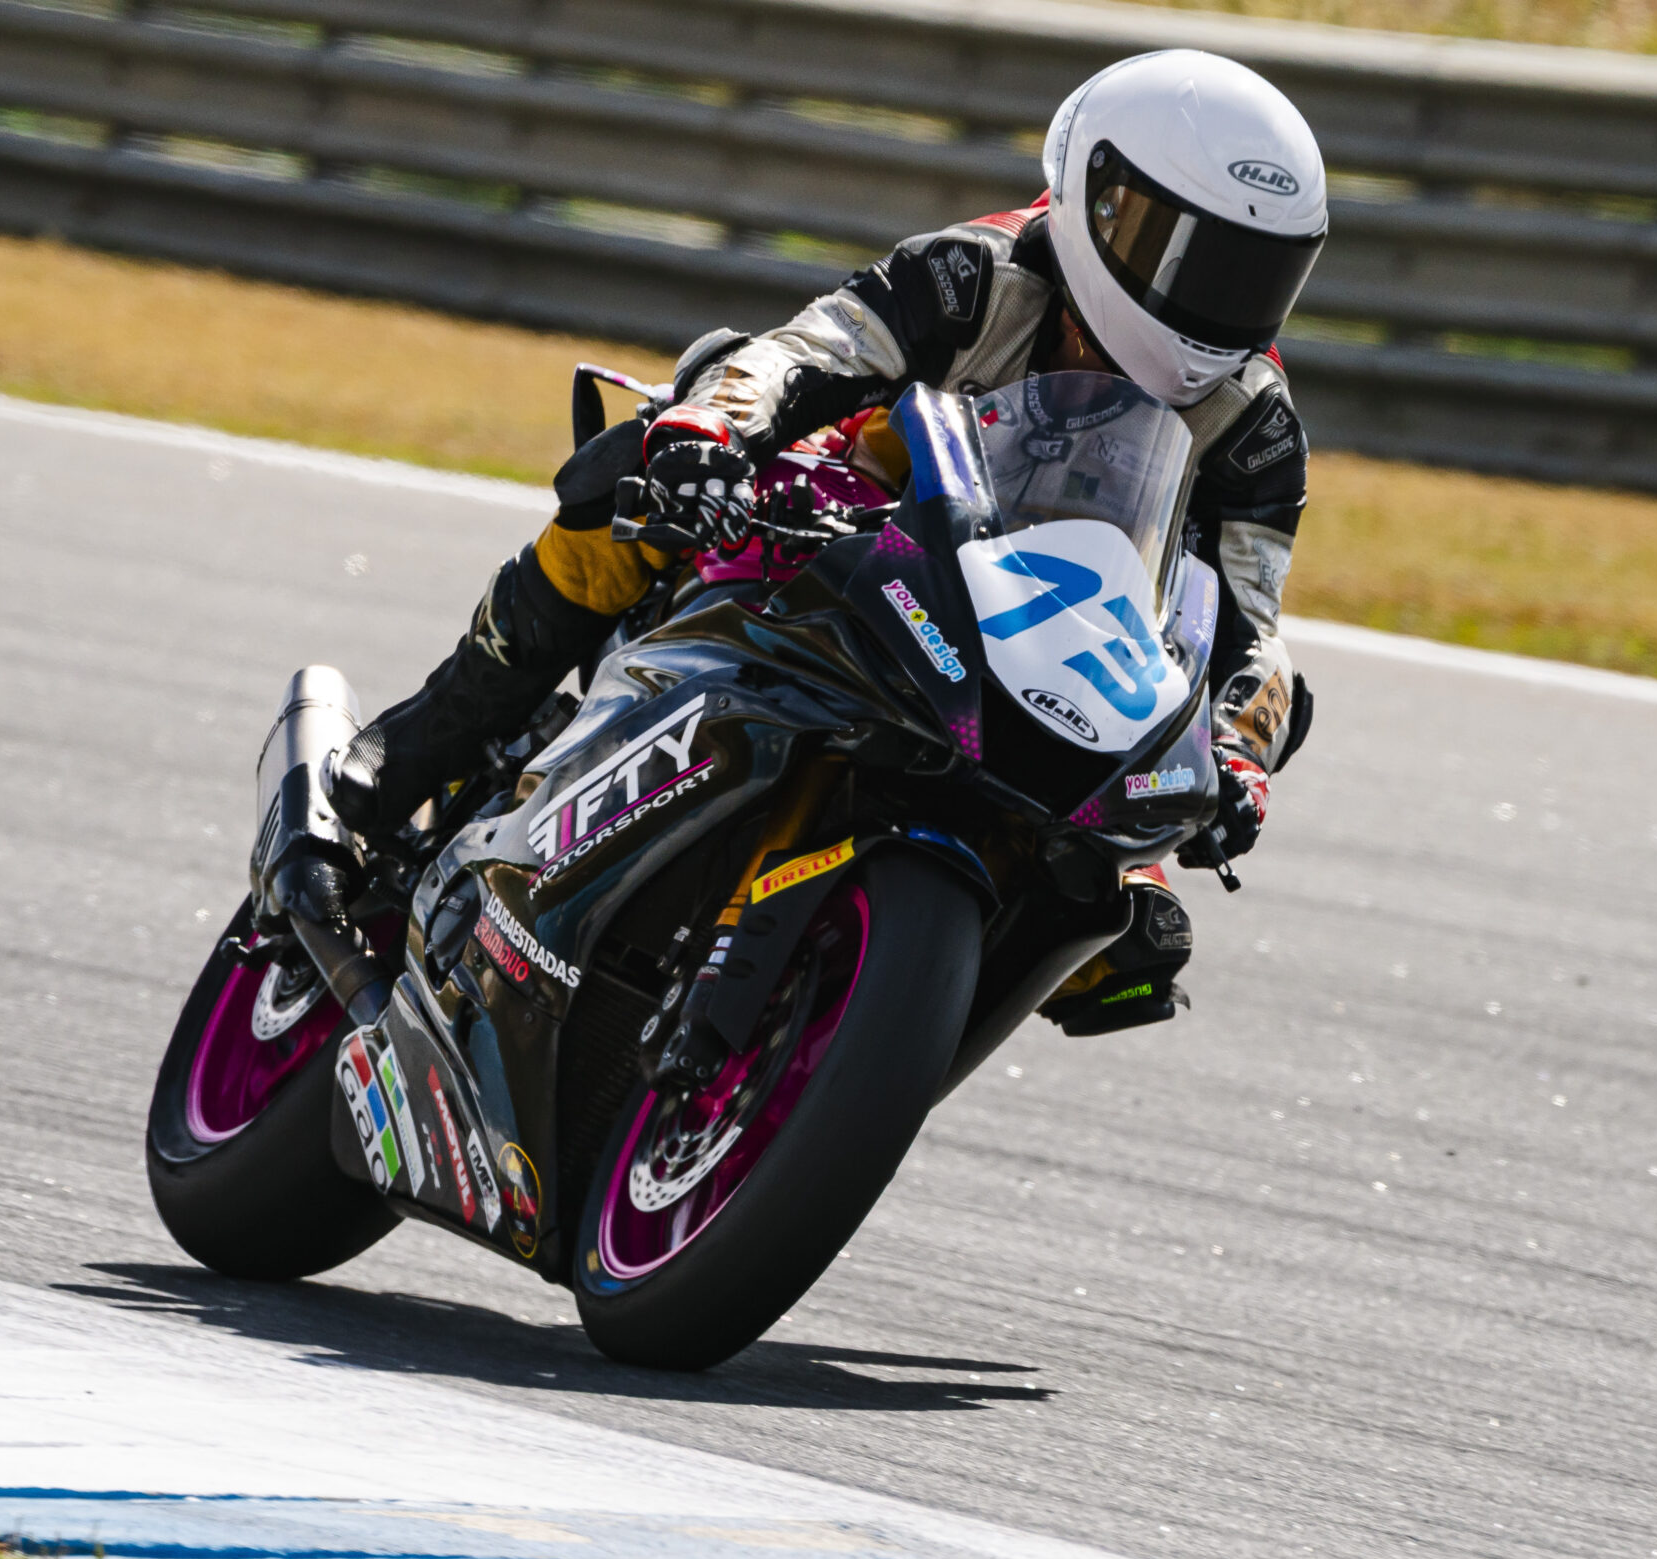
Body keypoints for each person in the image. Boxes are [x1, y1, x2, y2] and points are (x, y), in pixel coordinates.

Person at [327, 48, 1327, 1034]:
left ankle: (833, 1031)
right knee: (619, 501)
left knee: (1124, 925)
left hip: (1052, 651)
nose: (1218, 306)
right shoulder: (973, 275)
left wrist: (1235, 754)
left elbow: (1252, 633)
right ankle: (410, 757)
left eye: (1255, 277)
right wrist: (710, 431)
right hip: (856, 534)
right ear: (1099, 202)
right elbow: (813, 350)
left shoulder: (1254, 427)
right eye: (1190, 256)